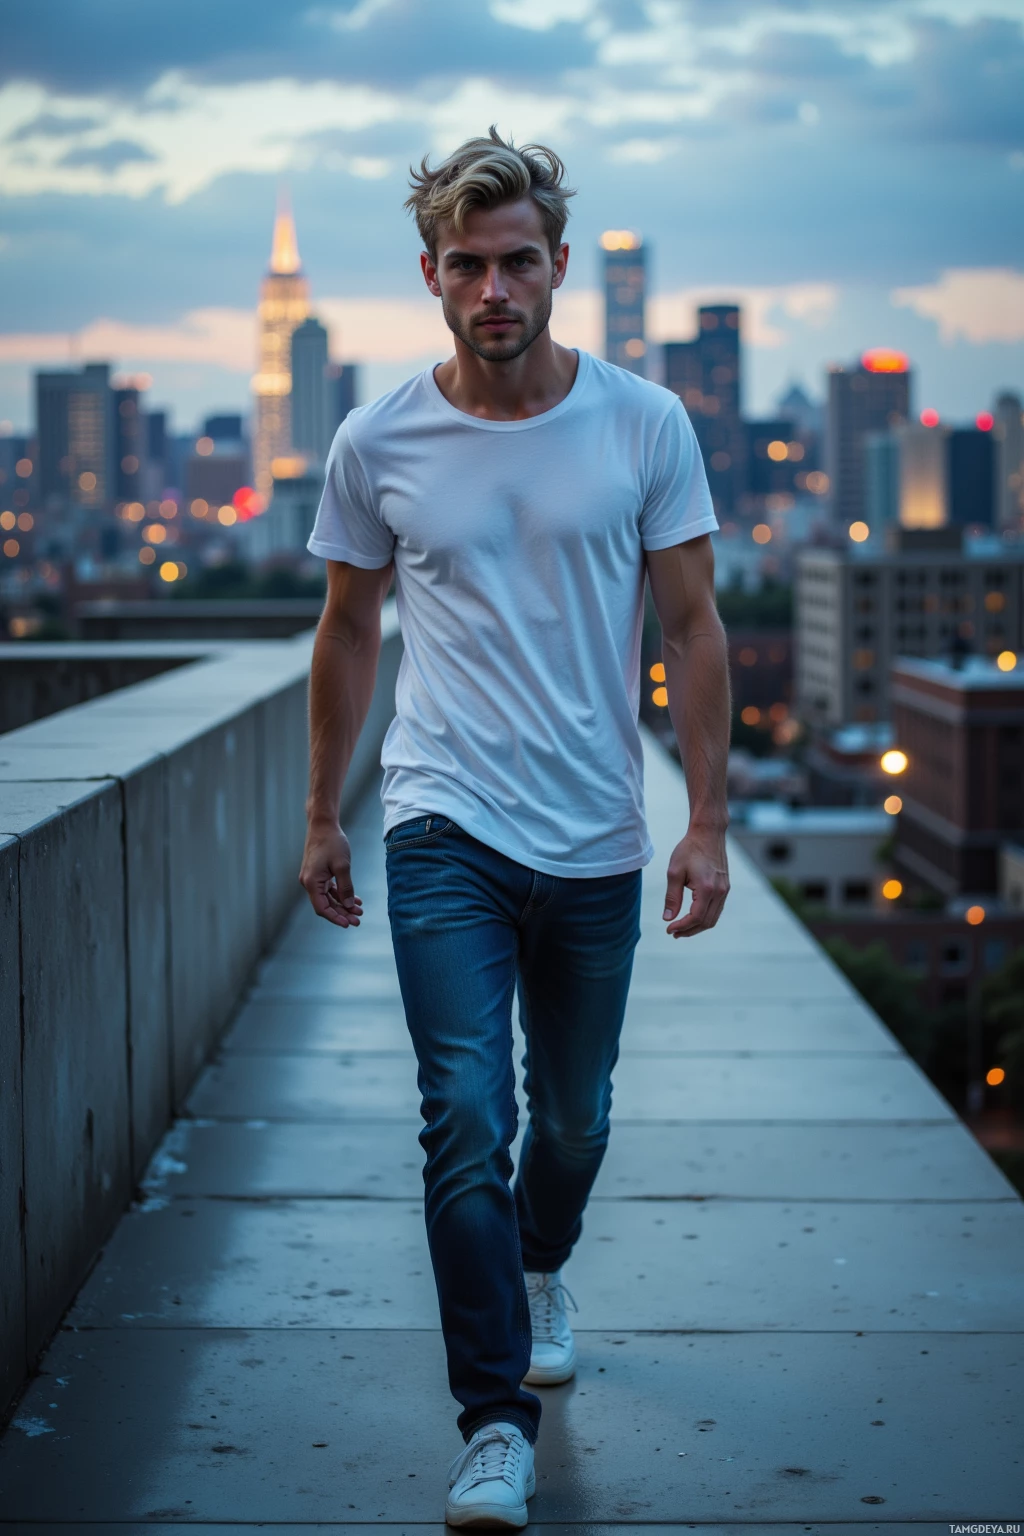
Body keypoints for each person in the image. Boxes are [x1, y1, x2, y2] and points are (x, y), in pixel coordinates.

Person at [299, 127, 731, 1528]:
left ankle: (541, 1260)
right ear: (432, 274)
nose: (497, 288)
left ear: (558, 268)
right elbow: (348, 631)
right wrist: (323, 814)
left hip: (599, 837)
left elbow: (693, 626)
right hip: (442, 828)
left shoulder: (644, 423)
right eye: (470, 265)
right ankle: (493, 1422)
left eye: (521, 261)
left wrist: (706, 821)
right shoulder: (377, 440)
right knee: (465, 1118)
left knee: (578, 1121)